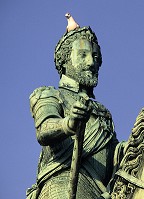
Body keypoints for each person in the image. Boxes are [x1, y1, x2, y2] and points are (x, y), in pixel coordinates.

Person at [26, 26, 119, 199]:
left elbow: (114, 155)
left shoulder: (103, 113)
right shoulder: (49, 94)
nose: (92, 63)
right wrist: (68, 123)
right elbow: (44, 129)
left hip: (102, 193)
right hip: (62, 184)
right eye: (83, 55)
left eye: (95, 56)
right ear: (64, 61)